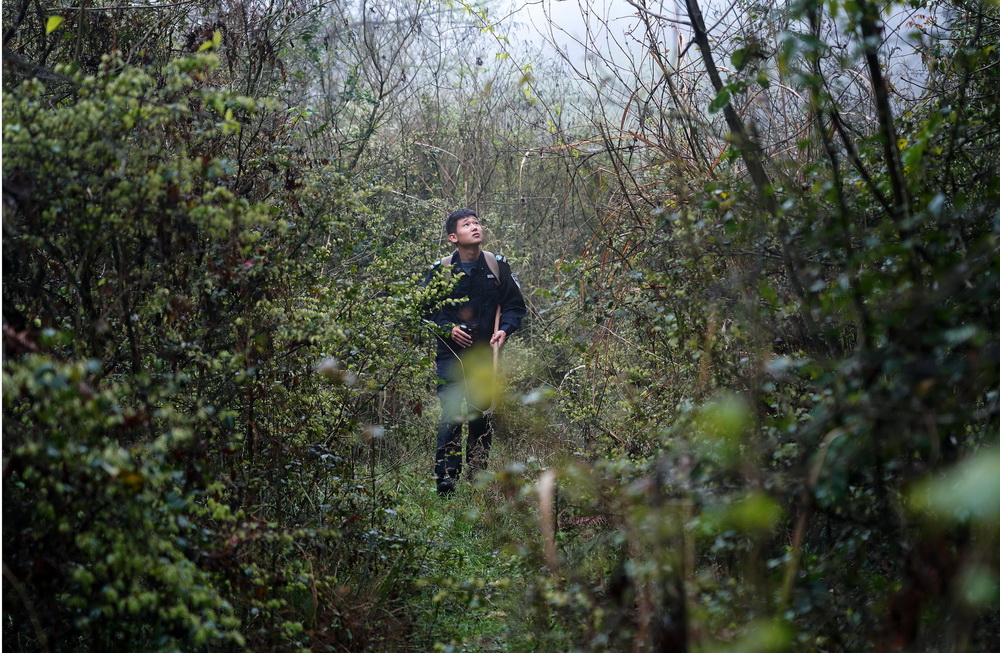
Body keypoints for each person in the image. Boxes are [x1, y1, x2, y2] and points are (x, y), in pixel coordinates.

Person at [423, 208, 526, 495]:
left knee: (481, 415)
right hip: (451, 357)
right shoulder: (440, 270)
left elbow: (515, 306)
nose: (475, 227)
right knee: (453, 413)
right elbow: (426, 311)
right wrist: (447, 329)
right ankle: (446, 482)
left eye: (476, 222)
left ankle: (478, 477)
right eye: (466, 224)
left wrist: (505, 328)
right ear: (453, 237)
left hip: (485, 354)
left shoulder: (497, 266)